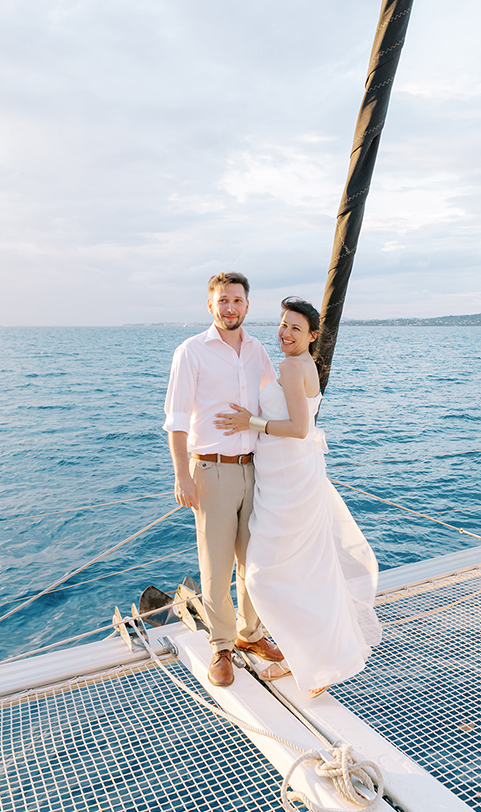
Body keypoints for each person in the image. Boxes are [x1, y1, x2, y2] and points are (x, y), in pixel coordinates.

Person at [215, 297, 382, 700]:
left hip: (289, 480)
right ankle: (306, 657)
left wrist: (248, 421)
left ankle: (314, 657)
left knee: (263, 573)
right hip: (283, 476)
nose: (286, 333)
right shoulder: (302, 366)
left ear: (312, 336)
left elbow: (299, 428)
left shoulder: (293, 367)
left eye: (295, 328)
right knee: (301, 571)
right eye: (283, 325)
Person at [163, 272, 284, 688]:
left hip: (256, 468)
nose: (230, 307)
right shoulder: (190, 351)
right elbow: (176, 423)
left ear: (247, 306)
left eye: (237, 300)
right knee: (216, 567)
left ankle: (251, 635)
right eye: (223, 300)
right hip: (211, 470)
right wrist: (183, 475)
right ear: (210, 306)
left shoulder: (257, 351)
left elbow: (275, 402)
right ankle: (221, 646)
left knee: (256, 561)